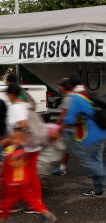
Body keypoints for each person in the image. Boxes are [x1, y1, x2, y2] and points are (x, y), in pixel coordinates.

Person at [2, 83, 55, 220]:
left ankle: (30, 204)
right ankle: (36, 205)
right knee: (30, 176)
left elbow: (22, 125)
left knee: (18, 179)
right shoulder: (26, 103)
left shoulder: (15, 107)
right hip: (33, 145)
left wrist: (11, 142)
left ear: (11, 94)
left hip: (23, 148)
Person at [58, 73, 106, 197]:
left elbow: (69, 119)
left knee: (88, 160)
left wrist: (58, 129)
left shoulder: (76, 98)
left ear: (69, 85)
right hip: (103, 131)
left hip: (92, 135)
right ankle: (98, 188)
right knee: (96, 160)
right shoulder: (87, 93)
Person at [0, 131, 57, 223]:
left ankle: (1, 220)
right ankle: (48, 215)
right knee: (32, 201)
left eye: (16, 138)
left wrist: (4, 182)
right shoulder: (25, 152)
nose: (15, 140)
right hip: (24, 183)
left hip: (12, 185)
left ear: (23, 140)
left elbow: (6, 169)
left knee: (6, 204)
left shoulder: (9, 153)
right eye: (13, 138)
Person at [51, 78, 73, 175]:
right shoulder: (73, 96)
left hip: (70, 128)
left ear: (65, 87)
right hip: (73, 128)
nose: (60, 88)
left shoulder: (68, 98)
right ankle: (62, 168)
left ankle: (95, 170)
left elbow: (63, 115)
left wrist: (56, 127)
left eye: (61, 86)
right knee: (67, 149)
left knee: (68, 149)